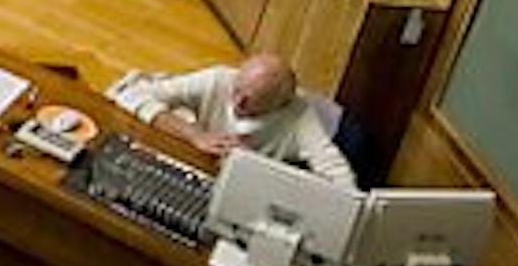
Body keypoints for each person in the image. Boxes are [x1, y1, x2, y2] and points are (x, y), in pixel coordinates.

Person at [114, 50, 355, 184]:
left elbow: (340, 177)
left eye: (249, 100)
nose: (237, 102)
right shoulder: (220, 79)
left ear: (280, 105)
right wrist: (194, 134)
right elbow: (132, 94)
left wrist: (255, 166)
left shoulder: (301, 116)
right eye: (237, 90)